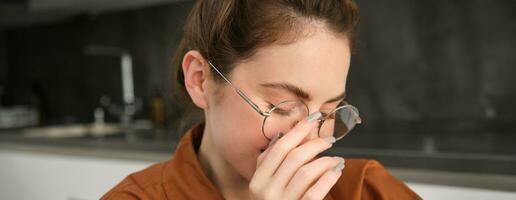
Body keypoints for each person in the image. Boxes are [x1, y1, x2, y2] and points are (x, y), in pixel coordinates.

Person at [102, 0, 422, 199]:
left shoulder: (367, 191)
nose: (309, 138)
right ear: (200, 80)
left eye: (327, 113)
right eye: (281, 106)